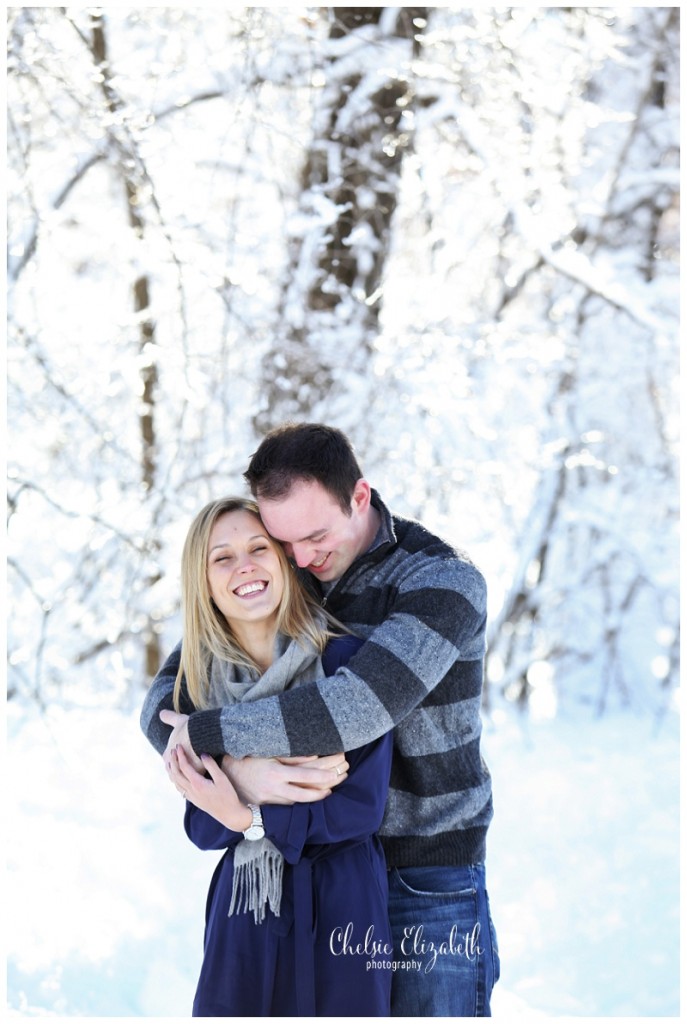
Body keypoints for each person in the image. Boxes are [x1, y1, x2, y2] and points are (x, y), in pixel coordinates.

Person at [141, 423, 500, 1017]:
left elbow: (353, 711)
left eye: (313, 537)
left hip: (426, 874)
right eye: (284, 542)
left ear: (359, 497)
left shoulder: (441, 582)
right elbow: (164, 703)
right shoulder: (289, 568)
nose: (302, 558)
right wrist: (237, 775)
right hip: (315, 868)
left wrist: (210, 740)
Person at [156, 495, 393, 1017]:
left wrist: (248, 814)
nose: (244, 566)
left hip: (342, 902)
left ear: (285, 559)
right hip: (245, 906)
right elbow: (201, 823)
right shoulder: (196, 693)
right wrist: (246, 787)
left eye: (258, 547)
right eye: (222, 557)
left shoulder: (346, 664)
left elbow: (358, 808)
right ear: (205, 583)